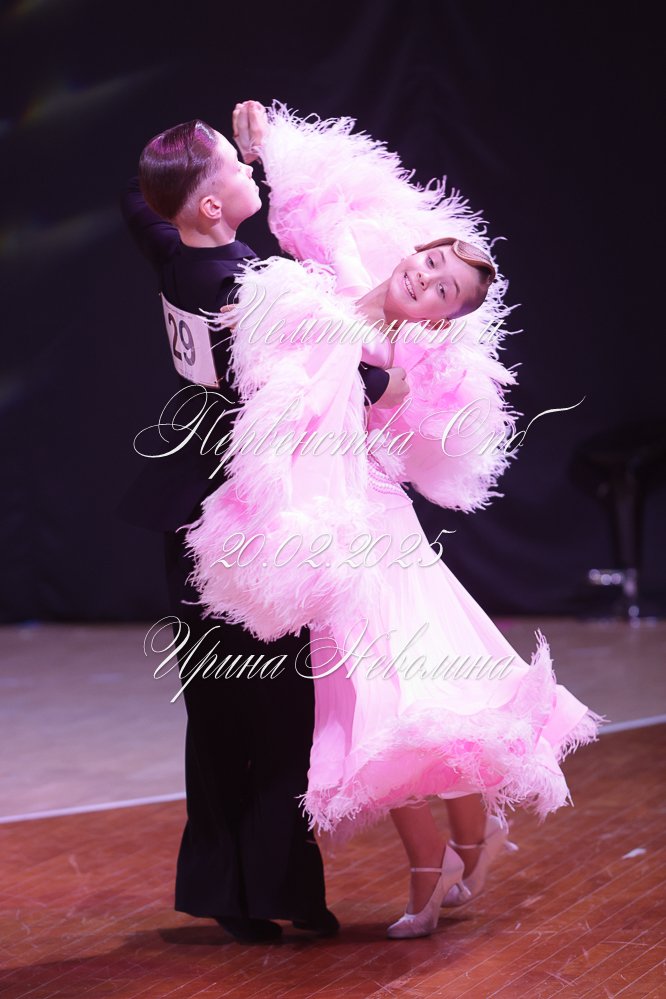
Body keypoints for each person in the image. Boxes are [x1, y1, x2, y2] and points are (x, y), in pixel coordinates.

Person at [185, 101, 602, 940]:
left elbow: (393, 410)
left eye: (445, 289)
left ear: (441, 316)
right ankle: (449, 858)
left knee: (416, 697)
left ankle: (456, 851)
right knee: (388, 708)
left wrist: (370, 376)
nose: (428, 278)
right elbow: (309, 210)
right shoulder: (344, 272)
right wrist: (267, 147)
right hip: (325, 525)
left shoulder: (406, 358)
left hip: (373, 530)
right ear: (414, 251)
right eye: (432, 261)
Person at [119, 111, 399, 942]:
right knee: (277, 706)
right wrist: (393, 378)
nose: (252, 171)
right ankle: (279, 887)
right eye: (237, 170)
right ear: (210, 207)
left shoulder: (174, 248)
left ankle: (234, 890)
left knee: (217, 706)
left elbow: (140, 200)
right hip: (248, 522)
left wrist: (194, 160)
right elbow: (339, 376)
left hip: (188, 509)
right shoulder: (247, 285)